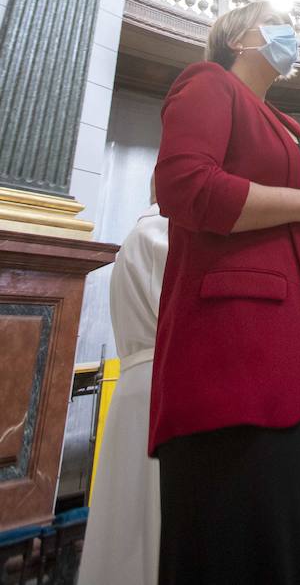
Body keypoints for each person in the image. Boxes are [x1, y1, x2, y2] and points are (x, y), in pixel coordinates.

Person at [150, 0, 300, 585]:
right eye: (274, 22)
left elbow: (286, 225)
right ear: (238, 39)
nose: (289, 33)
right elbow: (184, 185)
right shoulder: (208, 83)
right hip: (242, 348)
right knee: (249, 540)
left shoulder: (285, 122)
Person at [78, 189, 168, 585]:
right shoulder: (161, 235)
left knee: (127, 517)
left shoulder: (136, 237)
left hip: (136, 387)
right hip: (162, 385)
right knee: (151, 521)